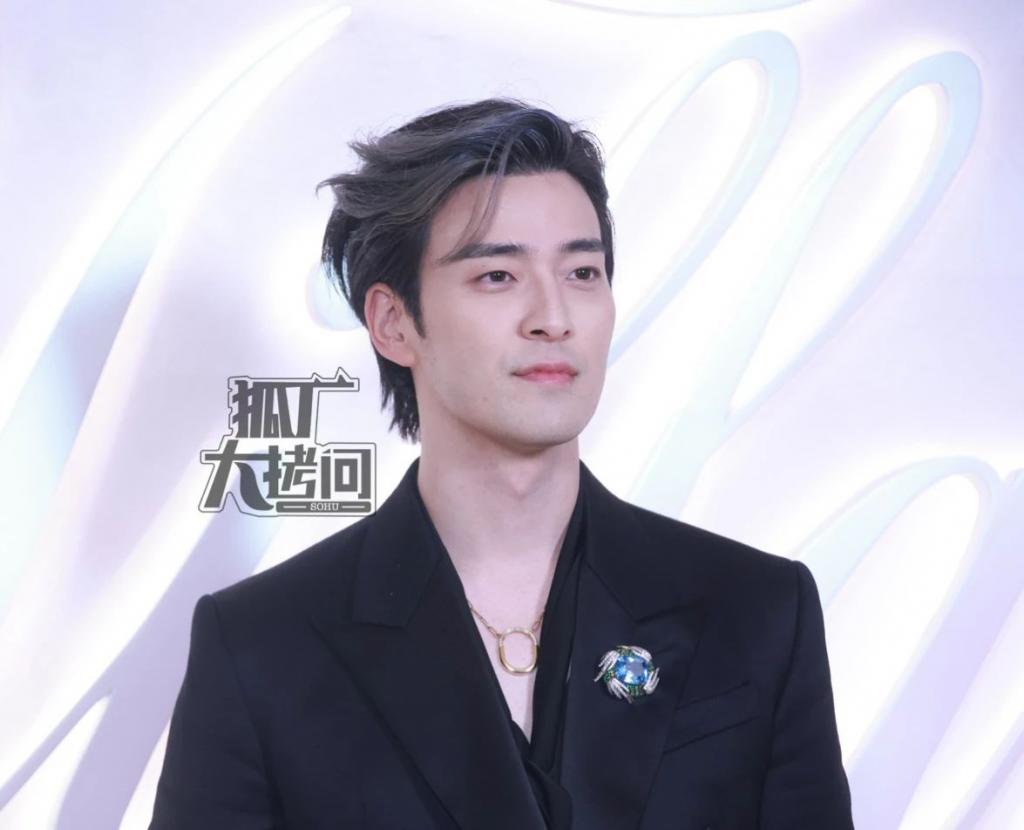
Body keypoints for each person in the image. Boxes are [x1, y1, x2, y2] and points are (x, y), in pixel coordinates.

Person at [149, 98, 854, 829]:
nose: (554, 317)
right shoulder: (263, 645)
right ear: (393, 322)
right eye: (497, 276)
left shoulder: (757, 611)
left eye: (582, 272)